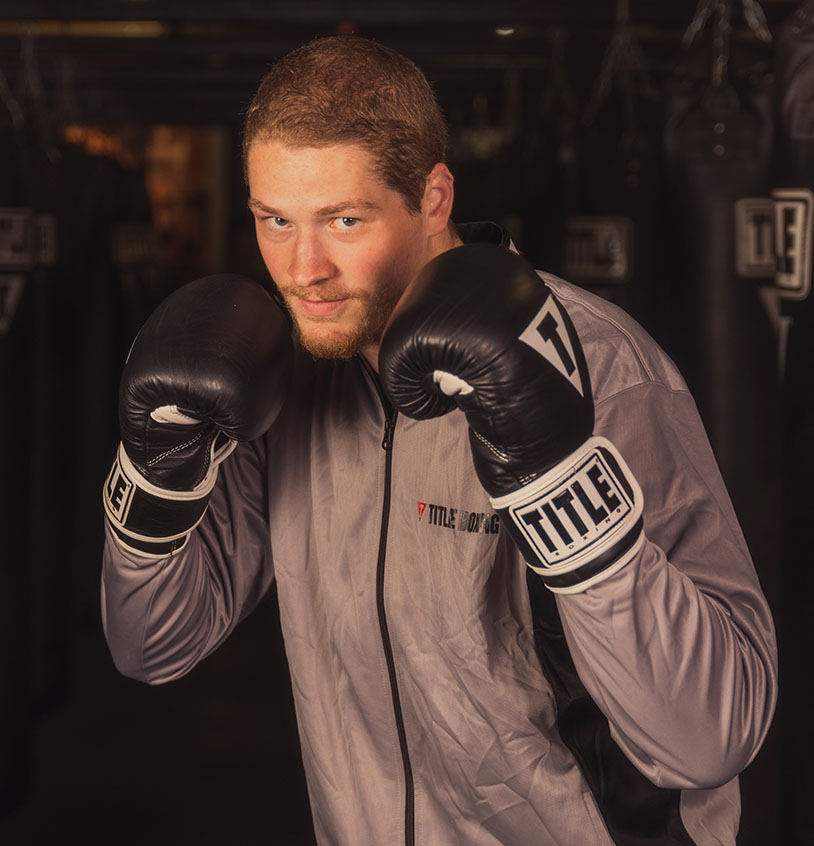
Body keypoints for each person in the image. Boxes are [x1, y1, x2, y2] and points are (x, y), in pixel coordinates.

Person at [101, 36, 777, 846]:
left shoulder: (600, 366)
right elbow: (153, 646)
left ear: (433, 198)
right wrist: (153, 480)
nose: (303, 268)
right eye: (275, 220)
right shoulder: (286, 378)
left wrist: (561, 492)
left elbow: (714, 738)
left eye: (344, 219)